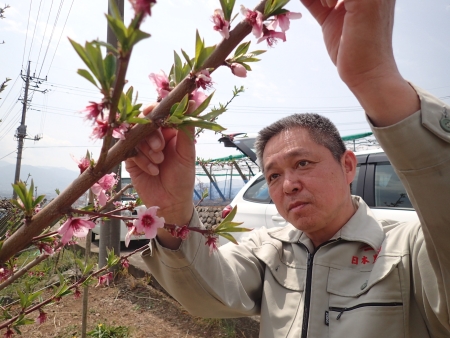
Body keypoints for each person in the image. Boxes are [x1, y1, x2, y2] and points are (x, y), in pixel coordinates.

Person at [125, 0, 450, 337]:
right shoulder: (268, 249)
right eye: (274, 176)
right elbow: (206, 295)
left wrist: (376, 78)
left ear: (348, 165)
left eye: (303, 163)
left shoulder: (409, 250)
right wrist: (173, 212)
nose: (289, 185)